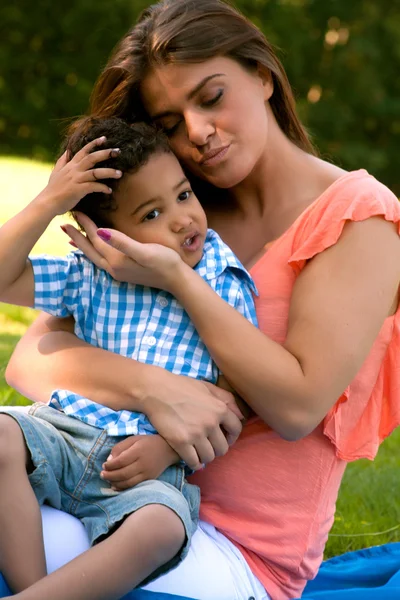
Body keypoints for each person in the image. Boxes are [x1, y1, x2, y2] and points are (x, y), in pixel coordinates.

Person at [4, 0, 400, 599]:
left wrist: (179, 281)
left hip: (230, 546)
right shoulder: (171, 206)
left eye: (211, 97)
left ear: (262, 74)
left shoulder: (356, 220)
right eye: (167, 122)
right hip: (96, 491)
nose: (195, 133)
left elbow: (295, 407)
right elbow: (31, 359)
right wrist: (159, 392)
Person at [0, 115, 257, 599]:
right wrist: (50, 200)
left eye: (183, 195)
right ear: (104, 233)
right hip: (61, 434)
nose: (182, 218)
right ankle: (32, 589)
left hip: (146, 472)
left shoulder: (223, 283)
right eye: (151, 215)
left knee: (163, 527)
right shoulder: (89, 275)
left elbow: (232, 402)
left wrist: (166, 448)